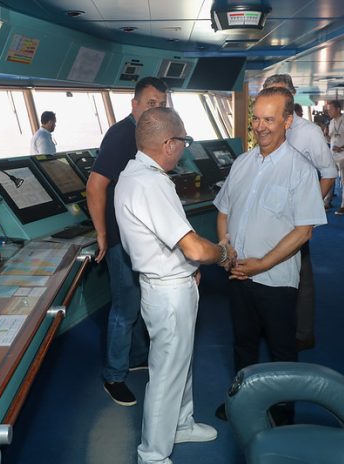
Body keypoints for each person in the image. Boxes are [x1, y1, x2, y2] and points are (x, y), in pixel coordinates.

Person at [115, 107, 234, 464]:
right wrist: (223, 254)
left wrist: (189, 266)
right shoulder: (151, 183)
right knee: (167, 372)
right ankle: (152, 453)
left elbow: (169, 242)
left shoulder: (135, 174)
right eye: (183, 141)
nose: (183, 147)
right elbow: (195, 246)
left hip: (171, 282)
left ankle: (179, 424)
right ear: (168, 143)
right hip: (168, 291)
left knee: (180, 362)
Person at [214, 86, 327, 421]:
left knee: (281, 351)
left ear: (287, 121)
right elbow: (223, 211)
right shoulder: (242, 163)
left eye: (269, 119)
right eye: (256, 119)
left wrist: (261, 264)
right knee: (243, 345)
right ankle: (243, 403)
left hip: (275, 280)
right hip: (237, 273)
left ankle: (282, 412)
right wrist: (226, 250)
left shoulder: (300, 169)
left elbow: (303, 230)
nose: (260, 127)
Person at [86, 76, 168, 406]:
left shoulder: (149, 135)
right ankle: (114, 375)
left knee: (137, 300)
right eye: (151, 103)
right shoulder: (122, 136)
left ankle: (136, 356)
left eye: (161, 104)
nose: (157, 109)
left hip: (140, 235)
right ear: (134, 104)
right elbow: (95, 185)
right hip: (122, 237)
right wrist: (104, 235)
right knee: (125, 307)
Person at [262, 74, 336, 351]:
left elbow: (328, 174)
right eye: (270, 92)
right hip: (268, 215)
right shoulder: (265, 127)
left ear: (292, 96)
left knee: (301, 276)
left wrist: (307, 211)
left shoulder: (308, 132)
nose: (276, 98)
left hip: (294, 219)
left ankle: (303, 333)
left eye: (281, 92)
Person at [323, 100, 344, 215]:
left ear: (338, 109)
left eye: (331, 109)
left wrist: (342, 147)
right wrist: (326, 135)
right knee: (330, 178)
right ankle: (326, 202)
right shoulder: (331, 123)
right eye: (328, 110)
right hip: (333, 155)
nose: (329, 112)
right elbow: (330, 140)